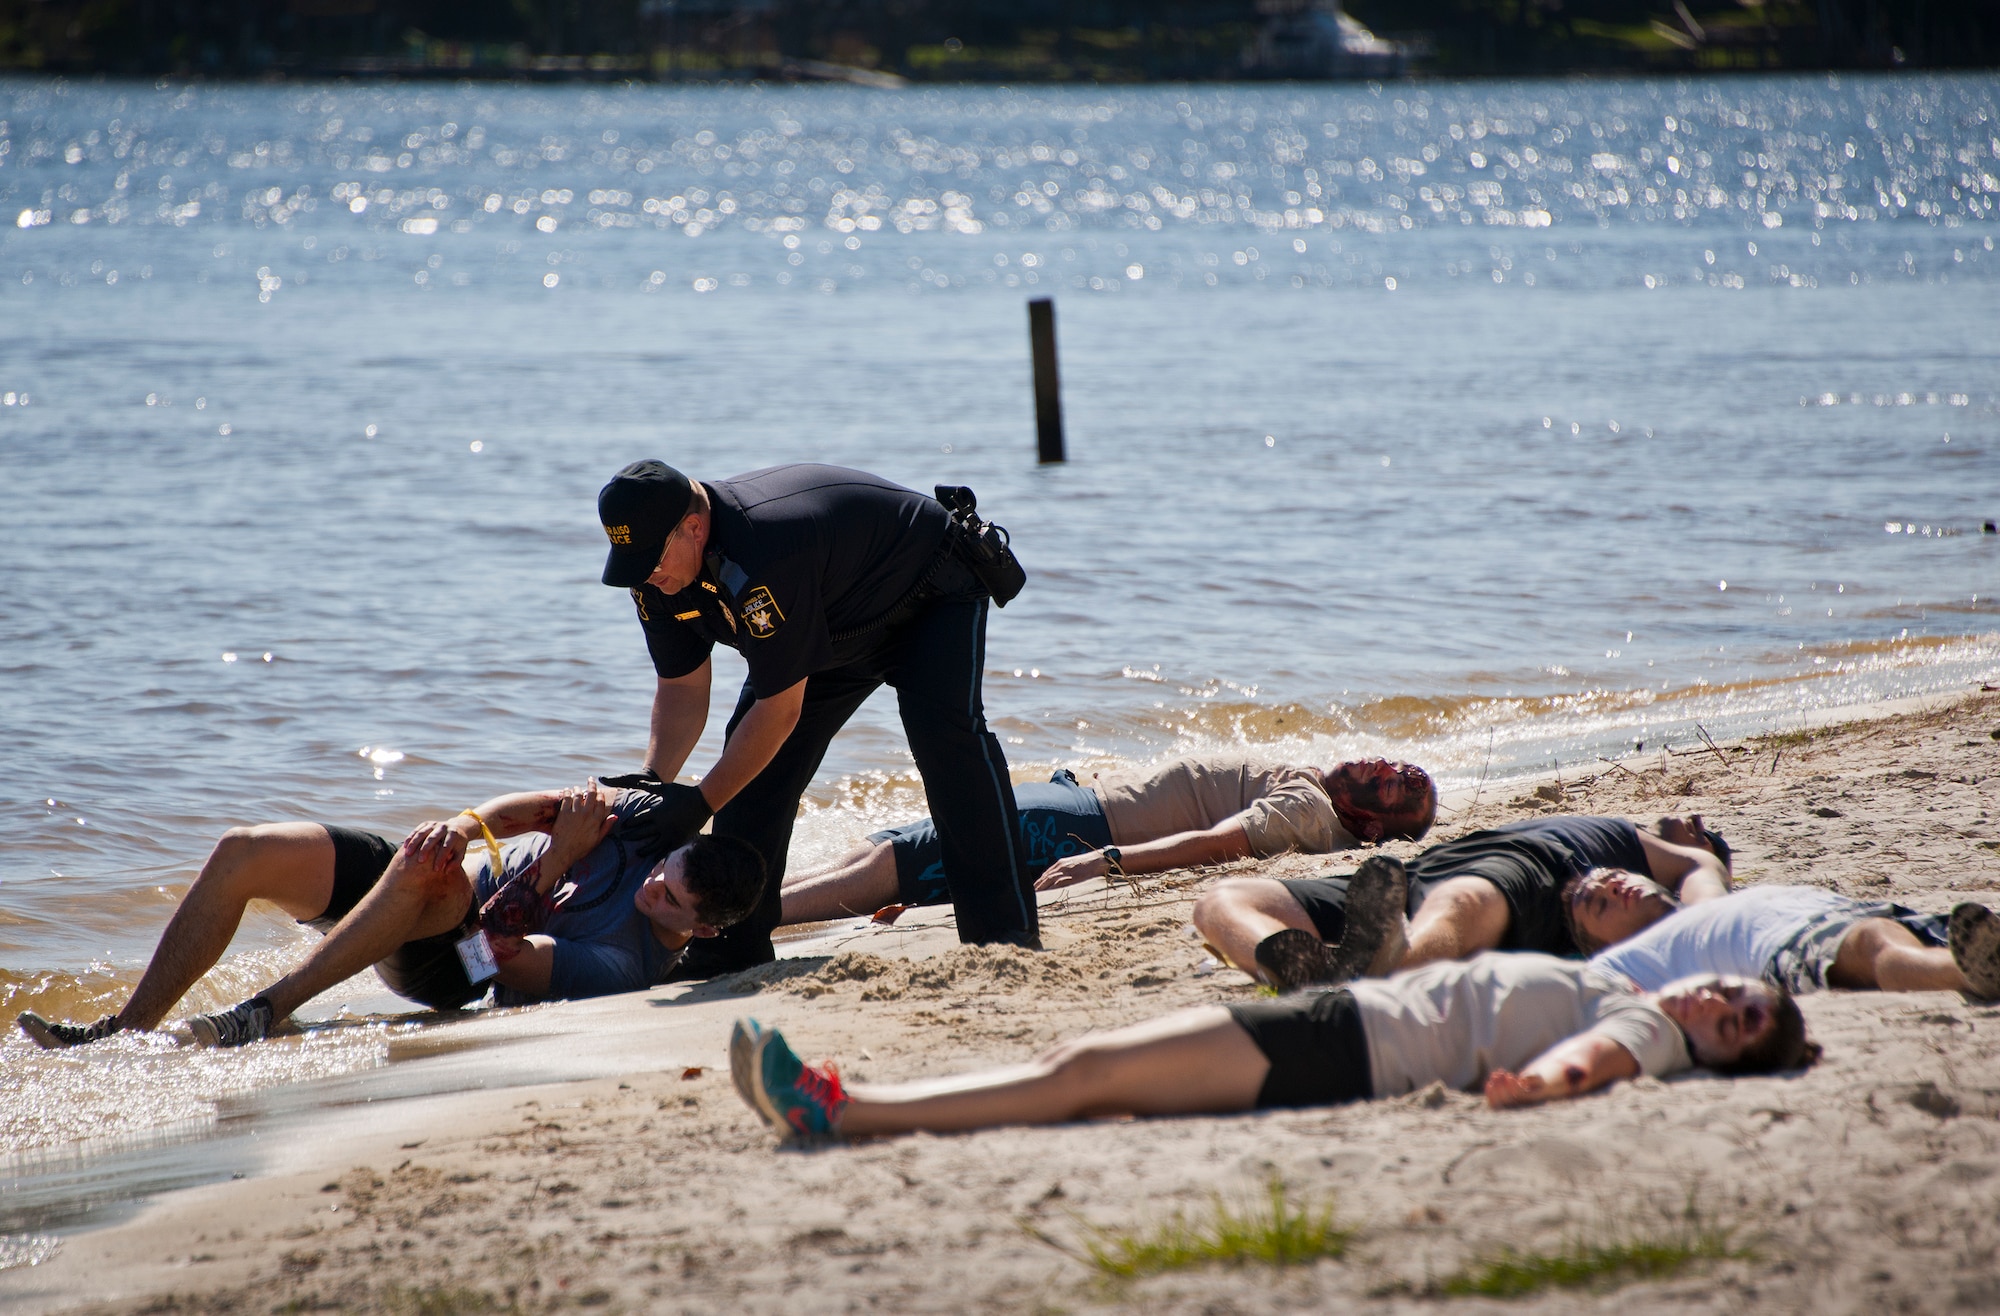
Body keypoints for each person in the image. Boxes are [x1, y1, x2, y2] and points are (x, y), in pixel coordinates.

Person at [596, 460, 1036, 976]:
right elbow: (682, 687)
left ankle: (1003, 935)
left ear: (694, 527)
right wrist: (654, 785)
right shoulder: (655, 575)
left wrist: (698, 803)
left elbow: (779, 711)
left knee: (946, 742)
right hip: (830, 623)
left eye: (651, 559)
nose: (646, 573)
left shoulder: (764, 552)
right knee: (755, 778)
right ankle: (730, 951)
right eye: (632, 563)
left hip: (928, 590)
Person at [727, 951, 1815, 1140]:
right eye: (1738, 990)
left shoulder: (1645, 1029)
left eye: (1740, 1021)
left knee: (1083, 1074)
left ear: (1718, 1054)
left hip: (1340, 1046)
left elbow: (1595, 1062)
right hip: (1340, 1037)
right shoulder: (1630, 989)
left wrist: (1535, 1084)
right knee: (1091, 1071)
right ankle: (848, 1100)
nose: (1722, 997)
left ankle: (844, 1106)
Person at [16, 780, 765, 1050]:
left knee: (431, 879)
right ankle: (125, 1030)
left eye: (669, 900)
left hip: (452, 961)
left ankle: (265, 1010)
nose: (650, 888)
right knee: (242, 850)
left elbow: (497, 952)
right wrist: (464, 827)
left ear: (700, 930)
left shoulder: (623, 968)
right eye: (663, 873)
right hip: (441, 880)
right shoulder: (646, 832)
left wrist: (561, 859)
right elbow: (529, 808)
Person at [779, 756, 1437, 925]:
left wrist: (1107, 859)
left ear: (1373, 827)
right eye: (1396, 765)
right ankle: (736, 909)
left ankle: (734, 919)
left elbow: (1219, 845)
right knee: (885, 852)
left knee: (896, 861)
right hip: (1083, 807)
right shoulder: (1315, 796)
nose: (1384, 767)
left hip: (1087, 826)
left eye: (1395, 787)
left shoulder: (1306, 809)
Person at [1192, 813, 1733, 990]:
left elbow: (1704, 882)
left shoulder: (1643, 857)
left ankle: (1388, 967)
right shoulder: (1628, 845)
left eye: (1704, 830)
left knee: (1464, 903)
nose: (1692, 822)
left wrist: (1704, 891)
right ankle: (1301, 967)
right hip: (1415, 873)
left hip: (1531, 878)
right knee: (1222, 900)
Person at [1583, 883, 2000, 1000]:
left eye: (1609, 876)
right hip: (1785, 945)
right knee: (1876, 945)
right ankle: (1963, 974)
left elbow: (1699, 859)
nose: (1610, 886)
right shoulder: (1616, 964)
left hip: (1847, 909)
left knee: (1959, 933)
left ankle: (1968, 963)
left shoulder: (1702, 898)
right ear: (1598, 942)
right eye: (1597, 903)